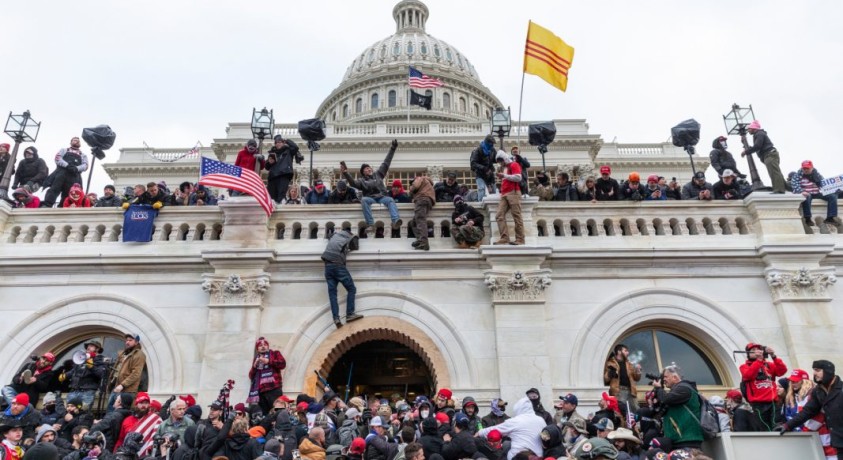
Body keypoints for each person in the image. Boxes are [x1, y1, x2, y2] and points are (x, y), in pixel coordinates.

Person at [778, 360, 842, 456]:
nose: (814, 373)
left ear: (828, 371)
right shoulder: (818, 391)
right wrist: (787, 426)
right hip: (838, 443)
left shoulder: (841, 389)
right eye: (814, 370)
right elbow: (808, 411)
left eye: (818, 370)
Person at [340, 139, 401, 233]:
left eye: (369, 168)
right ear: (363, 172)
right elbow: (353, 183)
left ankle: (395, 220)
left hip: (382, 197)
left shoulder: (378, 174)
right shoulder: (361, 181)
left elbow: (386, 162)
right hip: (371, 198)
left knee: (390, 200)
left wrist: (393, 148)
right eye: (366, 169)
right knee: (364, 200)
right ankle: (370, 224)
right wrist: (345, 173)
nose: (368, 169)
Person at [476, 397, 545, 460]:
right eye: (500, 406)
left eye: (503, 406)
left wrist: (479, 433)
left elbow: (496, 429)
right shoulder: (541, 420)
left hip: (519, 456)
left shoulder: (515, 421)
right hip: (538, 455)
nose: (503, 408)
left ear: (518, 408)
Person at [652, 365, 703, 451]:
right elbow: (660, 410)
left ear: (675, 377)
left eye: (665, 377)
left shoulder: (684, 388)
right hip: (679, 439)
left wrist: (659, 388)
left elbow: (666, 399)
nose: (663, 380)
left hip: (688, 440)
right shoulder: (677, 390)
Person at [739, 342, 787, 431]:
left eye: (758, 349)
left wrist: (773, 356)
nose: (757, 351)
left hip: (773, 402)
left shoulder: (768, 365)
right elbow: (748, 375)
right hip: (758, 404)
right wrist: (759, 361)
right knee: (765, 428)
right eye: (753, 350)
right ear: (748, 353)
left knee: (777, 426)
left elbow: (782, 371)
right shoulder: (744, 366)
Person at [321, 227, 362, 328]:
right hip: (337, 265)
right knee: (351, 289)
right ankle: (350, 314)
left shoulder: (334, 235)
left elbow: (329, 236)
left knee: (332, 294)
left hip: (327, 266)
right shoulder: (350, 236)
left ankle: (336, 318)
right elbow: (355, 246)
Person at [42, 137, 88, 208]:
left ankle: (62, 207)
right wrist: (67, 165)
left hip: (74, 175)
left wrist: (76, 168)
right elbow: (57, 158)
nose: (77, 141)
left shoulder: (83, 155)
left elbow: (85, 165)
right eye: (75, 140)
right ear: (71, 142)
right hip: (61, 173)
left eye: (78, 141)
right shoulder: (64, 150)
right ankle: (47, 205)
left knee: (69, 192)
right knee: (54, 189)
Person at [742, 120, 786, 193]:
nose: (748, 130)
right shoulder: (759, 134)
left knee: (774, 173)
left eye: (749, 128)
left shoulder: (759, 134)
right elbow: (759, 146)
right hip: (769, 155)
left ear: (753, 128)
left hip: (769, 155)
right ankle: (785, 188)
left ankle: (779, 189)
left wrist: (746, 152)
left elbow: (757, 146)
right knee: (775, 172)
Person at [62, 339, 107, 410]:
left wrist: (92, 367)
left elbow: (102, 374)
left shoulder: (100, 360)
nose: (88, 347)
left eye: (91, 346)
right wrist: (65, 375)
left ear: (97, 349)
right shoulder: (82, 358)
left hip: (87, 392)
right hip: (74, 390)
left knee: (83, 412)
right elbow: (74, 371)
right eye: (88, 346)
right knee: (69, 411)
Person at [107, 334, 146, 414]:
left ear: (136, 342)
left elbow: (136, 373)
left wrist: (122, 385)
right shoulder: (123, 353)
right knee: (110, 412)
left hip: (127, 390)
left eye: (130, 340)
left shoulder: (139, 354)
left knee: (119, 414)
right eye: (127, 340)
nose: (127, 342)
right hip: (115, 387)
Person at [247, 338, 287, 415]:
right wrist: (254, 366)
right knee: (264, 415)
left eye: (265, 344)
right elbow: (251, 376)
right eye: (260, 345)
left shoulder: (275, 353)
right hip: (261, 392)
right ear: (257, 349)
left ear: (268, 346)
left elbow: (283, 364)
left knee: (277, 412)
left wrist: (268, 361)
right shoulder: (256, 359)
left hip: (274, 389)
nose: (263, 346)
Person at [792, 160, 838, 226]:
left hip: (817, 192)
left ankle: (830, 218)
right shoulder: (797, 175)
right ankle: (807, 218)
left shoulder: (818, 175)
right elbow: (794, 184)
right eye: (804, 168)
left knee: (832, 196)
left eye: (807, 168)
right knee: (807, 197)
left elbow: (824, 184)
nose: (806, 170)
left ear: (812, 168)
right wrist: (801, 191)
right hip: (806, 193)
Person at [115, 392, 162, 456]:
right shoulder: (128, 420)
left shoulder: (154, 420)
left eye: (146, 403)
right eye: (141, 403)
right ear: (136, 404)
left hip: (146, 456)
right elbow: (121, 439)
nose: (144, 406)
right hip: (127, 455)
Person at [493, 151, 524, 246]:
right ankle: (504, 238)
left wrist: (504, 176)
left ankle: (520, 239)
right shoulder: (505, 167)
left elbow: (518, 177)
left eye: (501, 161)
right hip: (505, 194)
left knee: (516, 216)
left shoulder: (514, 164)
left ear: (504, 159)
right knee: (499, 215)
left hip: (513, 192)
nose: (500, 163)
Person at [604, 344, 642, 414]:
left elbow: (636, 378)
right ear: (619, 351)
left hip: (631, 391)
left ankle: (636, 421)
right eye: (625, 351)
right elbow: (606, 379)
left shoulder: (629, 364)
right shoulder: (610, 363)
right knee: (621, 412)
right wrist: (610, 373)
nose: (628, 353)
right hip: (619, 391)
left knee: (636, 410)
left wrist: (638, 370)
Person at [265, 135, 303, 204]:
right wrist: (269, 162)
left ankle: (280, 206)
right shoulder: (272, 152)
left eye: (280, 142)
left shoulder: (288, 150)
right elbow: (267, 167)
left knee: (281, 196)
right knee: (271, 197)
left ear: (283, 143)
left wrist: (286, 140)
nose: (278, 144)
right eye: (276, 143)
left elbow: (295, 147)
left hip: (283, 175)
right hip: (273, 176)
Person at [409, 172, 435, 251]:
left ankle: (424, 242)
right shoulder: (428, 184)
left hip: (422, 199)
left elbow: (415, 186)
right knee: (414, 222)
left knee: (420, 220)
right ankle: (420, 240)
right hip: (427, 201)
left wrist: (411, 191)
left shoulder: (420, 178)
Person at [470, 135, 497, 201]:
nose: (492, 145)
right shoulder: (478, 150)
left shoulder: (492, 150)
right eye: (491, 143)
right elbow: (473, 163)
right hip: (480, 174)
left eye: (493, 143)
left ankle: (494, 203)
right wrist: (484, 168)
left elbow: (495, 159)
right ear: (487, 142)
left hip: (489, 174)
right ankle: (480, 203)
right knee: (481, 188)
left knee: (493, 189)